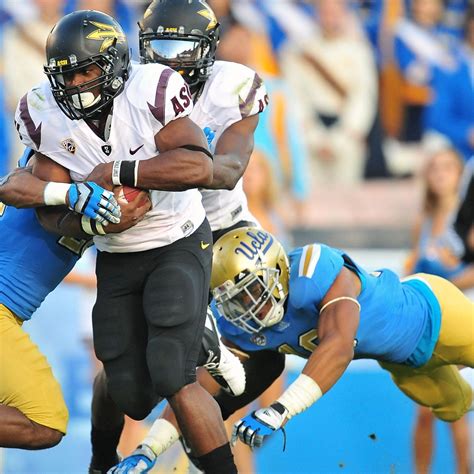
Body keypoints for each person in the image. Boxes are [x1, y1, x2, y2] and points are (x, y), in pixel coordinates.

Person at [14, 9, 236, 474]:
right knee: (125, 387)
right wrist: (94, 225)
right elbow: (48, 214)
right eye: (67, 75)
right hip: (116, 253)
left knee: (173, 372)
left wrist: (119, 171)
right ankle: (101, 462)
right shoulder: (43, 112)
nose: (77, 84)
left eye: (87, 71)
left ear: (115, 64)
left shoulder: (150, 87)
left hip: (176, 240)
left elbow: (199, 165)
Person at [116, 226, 474, 468]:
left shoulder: (314, 271)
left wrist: (279, 410)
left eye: (250, 292)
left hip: (437, 313)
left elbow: (339, 346)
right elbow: (201, 390)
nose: (246, 309)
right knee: (457, 405)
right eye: (233, 302)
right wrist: (149, 448)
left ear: (274, 271)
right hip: (405, 363)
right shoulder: (243, 328)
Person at [93, 1, 269, 471]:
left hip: (224, 231)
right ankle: (106, 456)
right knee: (122, 363)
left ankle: (215, 435)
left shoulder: (234, 86)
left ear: (208, 49)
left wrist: (151, 170)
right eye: (158, 48)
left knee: (255, 347)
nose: (168, 62)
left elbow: (227, 171)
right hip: (150, 233)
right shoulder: (127, 86)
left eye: (180, 49)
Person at [0, 148, 145, 450]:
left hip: (9, 313)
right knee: (44, 420)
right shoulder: (60, 147)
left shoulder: (117, 156)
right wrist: (69, 194)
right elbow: (14, 184)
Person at [405, 147, 473, 474]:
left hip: (459, 319)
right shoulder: (425, 221)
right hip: (428, 323)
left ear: (461, 175)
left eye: (448, 167)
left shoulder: (467, 219)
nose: (440, 174)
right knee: (424, 410)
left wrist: (443, 285)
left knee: (451, 408)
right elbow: (411, 266)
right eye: (434, 168)